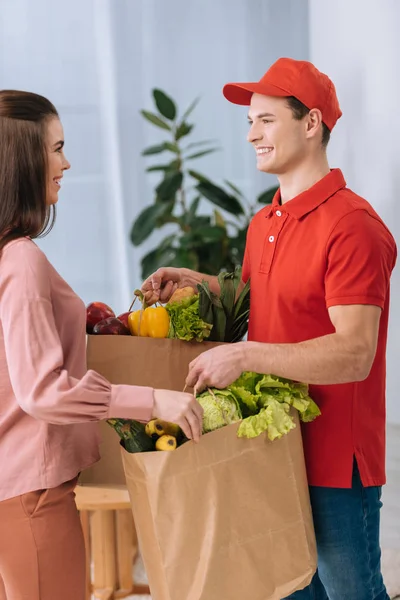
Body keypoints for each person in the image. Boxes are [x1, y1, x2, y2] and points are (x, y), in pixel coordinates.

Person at [141, 58, 397, 600]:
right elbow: (267, 304)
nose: (252, 133)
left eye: (266, 120)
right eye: (249, 122)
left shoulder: (353, 226)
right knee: (287, 589)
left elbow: (355, 353)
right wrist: (199, 282)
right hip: (272, 445)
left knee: (351, 592)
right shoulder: (267, 221)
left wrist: (247, 356)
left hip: (333, 457)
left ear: (311, 124)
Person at [0, 90, 203, 600]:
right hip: (30, 495)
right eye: (56, 148)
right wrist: (155, 400)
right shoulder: (20, 260)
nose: (66, 163)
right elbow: (41, 392)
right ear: (22, 160)